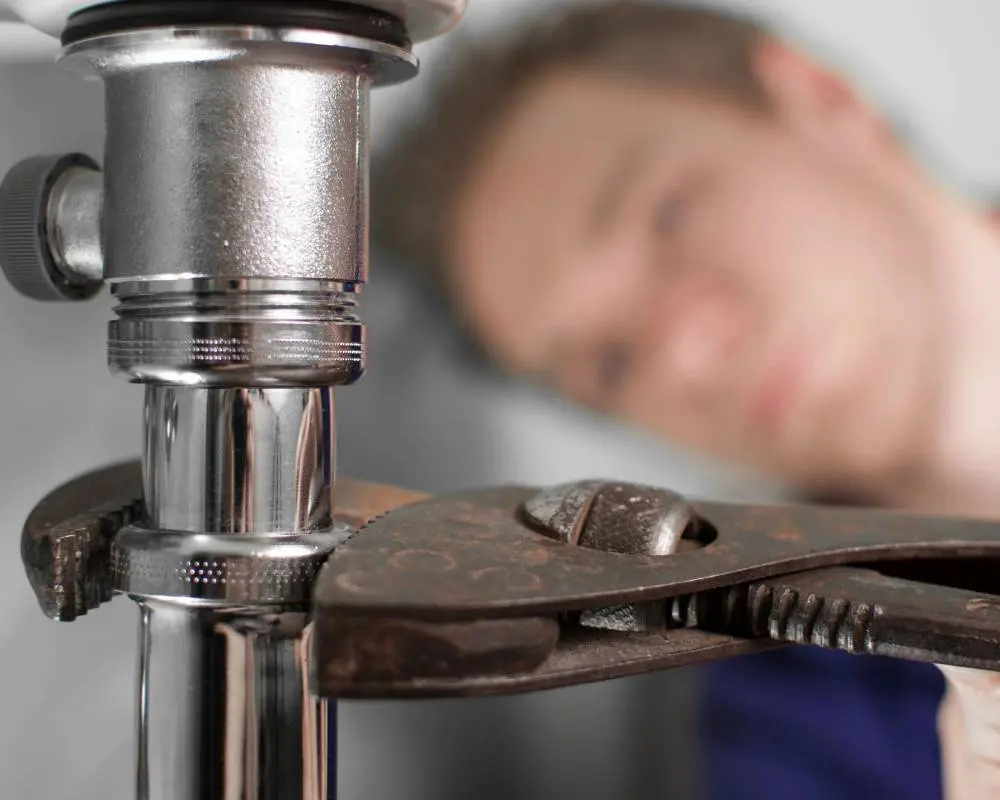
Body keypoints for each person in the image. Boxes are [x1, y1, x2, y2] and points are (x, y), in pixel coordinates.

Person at [372, 3, 1000, 798]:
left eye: (670, 215)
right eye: (610, 363)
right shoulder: (786, 712)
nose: (689, 354)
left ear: (820, 98)